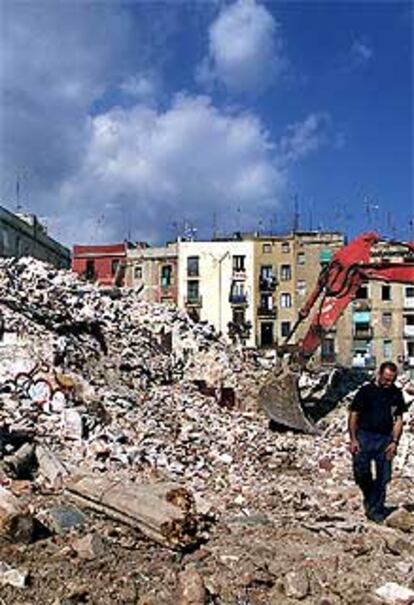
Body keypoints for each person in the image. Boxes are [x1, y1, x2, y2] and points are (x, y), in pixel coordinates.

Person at [348, 361, 406, 522]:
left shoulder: (395, 393)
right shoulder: (365, 391)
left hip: (385, 439)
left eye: (392, 380)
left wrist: (395, 442)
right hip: (364, 436)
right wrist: (353, 439)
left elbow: (398, 419)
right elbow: (354, 415)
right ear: (379, 374)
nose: (388, 383)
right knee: (361, 472)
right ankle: (371, 497)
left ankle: (375, 510)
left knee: (384, 476)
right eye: (386, 379)